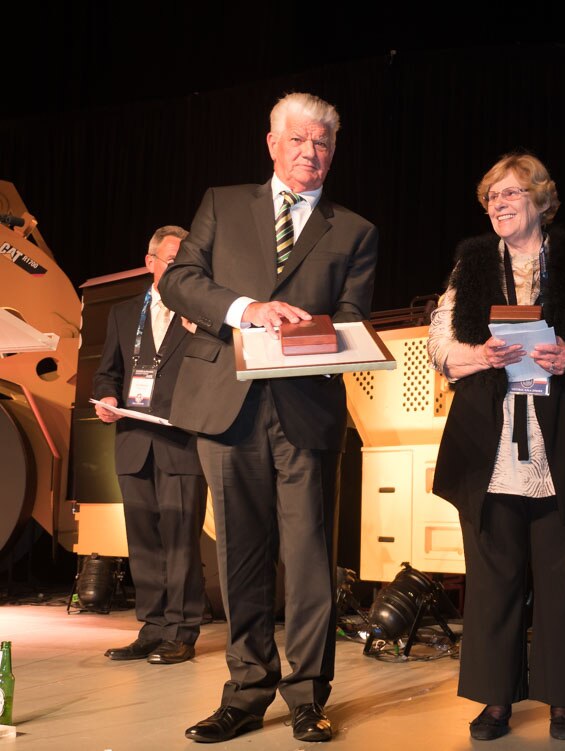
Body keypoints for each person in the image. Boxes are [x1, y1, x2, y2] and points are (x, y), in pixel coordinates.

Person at [158, 92, 378, 744]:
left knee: (310, 558)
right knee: (241, 559)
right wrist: (248, 308)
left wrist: (305, 329)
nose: (313, 154)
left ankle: (308, 695)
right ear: (272, 143)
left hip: (306, 408)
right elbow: (179, 281)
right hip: (227, 405)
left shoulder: (355, 230)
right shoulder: (223, 205)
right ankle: (246, 691)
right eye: (301, 141)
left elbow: (352, 319)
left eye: (325, 145)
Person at [429, 152, 565, 741]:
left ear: (541, 200)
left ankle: (564, 699)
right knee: (493, 571)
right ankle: (495, 701)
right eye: (491, 196)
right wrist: (478, 356)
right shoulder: (470, 265)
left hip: (564, 430)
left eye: (511, 193)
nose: (498, 204)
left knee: (564, 568)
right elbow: (442, 343)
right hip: (487, 434)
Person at [93, 225, 207, 666]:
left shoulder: (201, 313)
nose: (180, 269)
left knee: (180, 541)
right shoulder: (123, 313)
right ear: (151, 263)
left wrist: (203, 330)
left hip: (180, 440)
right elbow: (108, 372)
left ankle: (181, 631)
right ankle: (152, 627)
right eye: (173, 262)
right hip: (134, 440)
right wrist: (106, 397)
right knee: (143, 541)